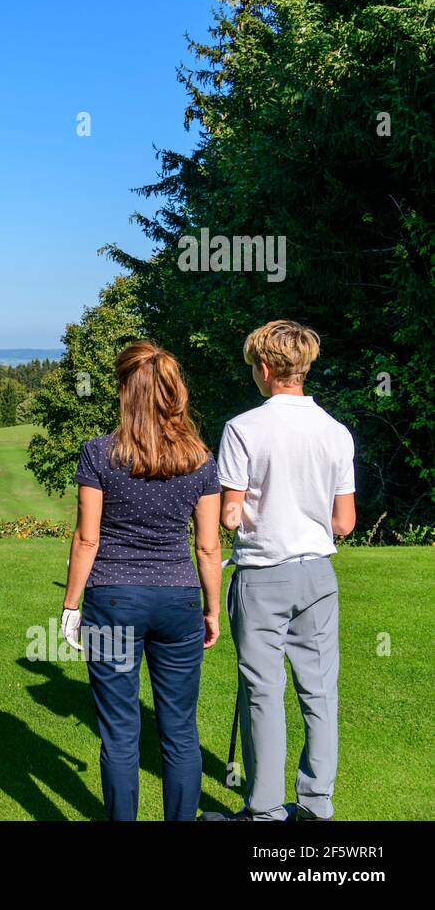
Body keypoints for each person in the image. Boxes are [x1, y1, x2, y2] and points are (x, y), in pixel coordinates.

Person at [60, 341, 223, 820]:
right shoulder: (200, 459)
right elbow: (208, 547)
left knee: (119, 732)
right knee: (179, 731)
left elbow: (86, 540)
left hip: (113, 599)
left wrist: (70, 607)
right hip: (178, 601)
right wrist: (211, 609)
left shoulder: (98, 453)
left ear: (125, 390)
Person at [202, 321, 355, 821]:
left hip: (262, 574)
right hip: (318, 575)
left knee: (262, 693)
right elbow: (345, 523)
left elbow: (229, 515)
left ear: (265, 369)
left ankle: (265, 810)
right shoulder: (336, 431)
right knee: (319, 691)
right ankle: (315, 804)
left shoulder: (244, 428)